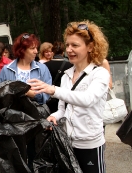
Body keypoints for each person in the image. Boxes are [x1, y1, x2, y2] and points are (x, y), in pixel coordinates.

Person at [28, 20, 109, 173]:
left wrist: (53, 89)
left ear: (90, 47)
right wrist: (54, 117)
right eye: (68, 45)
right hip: (68, 145)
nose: (69, 50)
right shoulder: (66, 76)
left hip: (90, 145)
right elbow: (63, 109)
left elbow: (88, 99)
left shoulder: (99, 74)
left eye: (75, 45)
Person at [0, 33, 52, 171]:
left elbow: (48, 94)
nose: (36, 51)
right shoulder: (6, 70)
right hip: (13, 120)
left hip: (36, 120)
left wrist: (35, 95)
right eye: (32, 48)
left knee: (35, 155)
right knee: (16, 156)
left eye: (36, 48)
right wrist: (21, 92)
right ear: (22, 49)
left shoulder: (42, 69)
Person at [44, 41, 73, 113]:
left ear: (53, 52)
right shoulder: (70, 65)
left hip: (50, 96)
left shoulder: (45, 65)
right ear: (63, 52)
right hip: (66, 96)